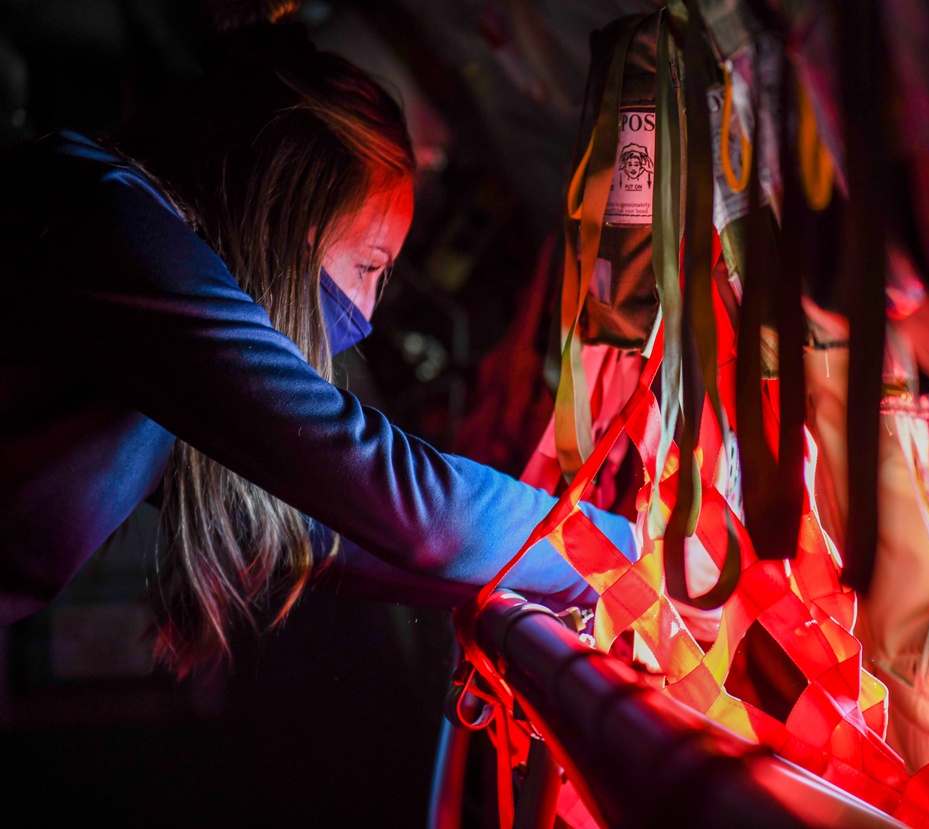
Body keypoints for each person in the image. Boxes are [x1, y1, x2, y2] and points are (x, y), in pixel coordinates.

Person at [0, 11, 636, 676]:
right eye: (369, 265)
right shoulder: (112, 225)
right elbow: (388, 491)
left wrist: (570, 573)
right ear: (289, 209)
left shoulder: (166, 373)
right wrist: (638, 555)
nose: (362, 314)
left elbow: (330, 527)